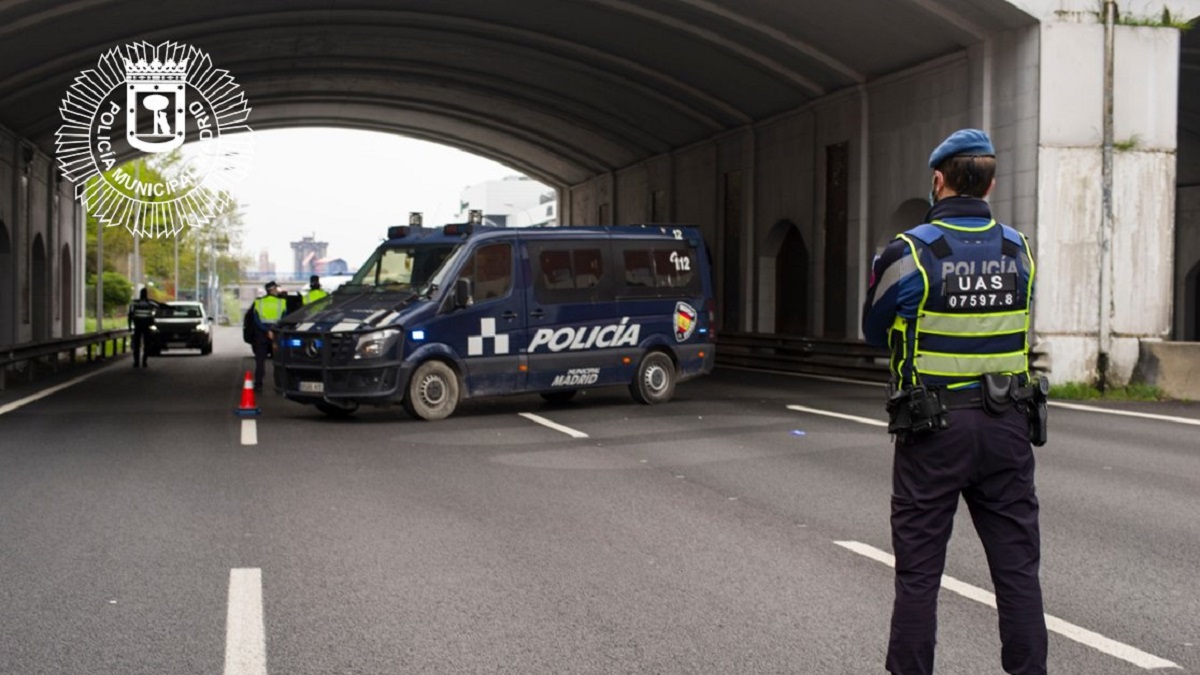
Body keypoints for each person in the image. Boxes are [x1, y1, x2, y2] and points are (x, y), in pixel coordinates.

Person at [862, 129, 1048, 675]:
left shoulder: (910, 251)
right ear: (991, 183)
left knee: (919, 576)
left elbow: (874, 329)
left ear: (938, 181)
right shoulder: (1020, 250)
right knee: (1017, 571)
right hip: (1008, 424)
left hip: (932, 430)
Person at [244, 280, 288, 392]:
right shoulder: (282, 302)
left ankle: (258, 384)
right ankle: (279, 385)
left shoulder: (259, 302)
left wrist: (266, 330)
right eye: (276, 289)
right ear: (272, 290)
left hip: (261, 334)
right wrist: (273, 330)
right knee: (278, 361)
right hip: (276, 335)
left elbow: (256, 320)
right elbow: (284, 319)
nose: (277, 291)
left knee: (260, 361)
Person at [127, 287, 162, 368]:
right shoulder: (150, 304)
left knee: (136, 345)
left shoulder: (135, 304)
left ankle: (136, 362)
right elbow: (158, 308)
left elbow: (130, 316)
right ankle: (144, 361)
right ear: (146, 295)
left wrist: (129, 326)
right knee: (147, 344)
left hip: (137, 327)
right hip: (147, 327)